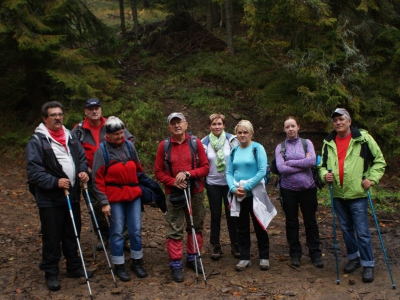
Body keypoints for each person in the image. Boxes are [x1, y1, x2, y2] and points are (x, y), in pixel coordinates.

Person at [26, 101, 93, 291]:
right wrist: (55, 182)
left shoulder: (70, 135)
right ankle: (51, 273)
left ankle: (73, 267)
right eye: (53, 115)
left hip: (71, 194)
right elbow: (33, 172)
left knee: (72, 232)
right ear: (45, 118)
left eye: (60, 114)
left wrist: (82, 172)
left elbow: (80, 157)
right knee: (52, 236)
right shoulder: (38, 141)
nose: (57, 118)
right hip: (50, 199)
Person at [319, 108, 386, 283]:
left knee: (362, 231)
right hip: (338, 194)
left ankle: (368, 264)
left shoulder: (363, 139)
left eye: (341, 119)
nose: (338, 123)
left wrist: (371, 178)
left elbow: (379, 161)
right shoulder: (328, 142)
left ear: (349, 121)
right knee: (347, 230)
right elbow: (322, 166)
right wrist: (324, 174)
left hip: (357, 193)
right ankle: (354, 258)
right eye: (335, 120)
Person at [71, 98, 134, 250]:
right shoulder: (79, 130)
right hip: (91, 176)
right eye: (90, 109)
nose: (94, 111)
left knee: (120, 204)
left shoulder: (111, 124)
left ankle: (124, 237)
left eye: (97, 108)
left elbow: (129, 140)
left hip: (114, 176)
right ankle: (104, 237)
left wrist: (121, 162)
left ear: (101, 110)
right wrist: (84, 168)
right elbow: (73, 151)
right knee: (96, 208)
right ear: (85, 111)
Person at [154, 112, 210, 283]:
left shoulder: (195, 143)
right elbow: (158, 172)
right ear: (169, 127)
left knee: (196, 225)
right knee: (175, 227)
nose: (177, 125)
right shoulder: (164, 146)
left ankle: (193, 257)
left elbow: (205, 167)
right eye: (173, 123)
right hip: (174, 193)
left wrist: (188, 174)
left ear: (186, 124)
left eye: (180, 122)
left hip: (195, 191)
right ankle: (176, 263)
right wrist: (173, 182)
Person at [91, 116, 147, 282]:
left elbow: (138, 168)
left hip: (133, 195)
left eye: (122, 133)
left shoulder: (129, 146)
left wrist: (145, 188)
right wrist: (103, 202)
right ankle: (119, 265)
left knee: (136, 230)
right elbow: (97, 179)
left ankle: (137, 262)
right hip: (114, 198)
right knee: (116, 232)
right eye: (116, 134)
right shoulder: (102, 151)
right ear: (108, 135)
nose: (120, 136)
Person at [226, 120, 276, 272]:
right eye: (239, 132)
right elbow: (228, 172)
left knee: (260, 225)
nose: (242, 135)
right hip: (239, 195)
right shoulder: (234, 151)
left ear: (251, 134)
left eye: (245, 132)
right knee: (242, 227)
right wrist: (233, 188)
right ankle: (244, 257)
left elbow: (261, 170)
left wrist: (246, 187)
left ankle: (264, 257)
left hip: (255, 193)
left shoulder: (257, 148)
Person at [275, 116, 323, 268]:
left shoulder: (306, 143)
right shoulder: (280, 147)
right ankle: (295, 254)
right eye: (287, 127)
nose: (290, 129)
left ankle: (315, 254)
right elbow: (281, 168)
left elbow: (312, 161)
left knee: (310, 221)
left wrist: (290, 162)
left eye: (293, 126)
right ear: (284, 129)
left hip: (308, 188)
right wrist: (303, 163)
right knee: (291, 222)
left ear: (298, 127)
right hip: (288, 190)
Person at [201, 113, 240, 260]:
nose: (217, 126)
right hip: (212, 183)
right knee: (215, 215)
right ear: (210, 126)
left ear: (224, 125)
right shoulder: (204, 142)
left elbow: (238, 159)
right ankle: (215, 246)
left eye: (219, 124)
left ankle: (235, 244)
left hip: (230, 184)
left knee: (232, 215)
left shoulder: (232, 140)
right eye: (214, 124)